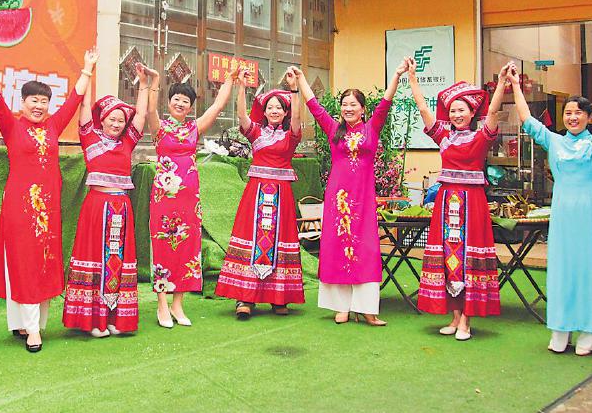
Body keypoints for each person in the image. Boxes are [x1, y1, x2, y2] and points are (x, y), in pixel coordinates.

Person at [0, 50, 97, 353]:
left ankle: (27, 323)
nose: (39, 106)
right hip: (19, 209)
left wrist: (88, 68)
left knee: (45, 263)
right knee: (23, 264)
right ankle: (32, 329)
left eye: (44, 101)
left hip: (48, 210)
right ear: (22, 103)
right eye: (33, 100)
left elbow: (74, 99)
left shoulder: (53, 127)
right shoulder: (12, 126)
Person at [508, 67, 592, 355]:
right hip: (563, 213)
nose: (572, 117)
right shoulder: (555, 141)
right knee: (563, 269)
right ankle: (561, 330)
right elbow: (527, 119)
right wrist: (515, 85)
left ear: (589, 117)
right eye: (568, 113)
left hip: (591, 213)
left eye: (578, 113)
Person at [405, 59, 509, 340]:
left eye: (462, 110)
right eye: (452, 110)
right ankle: (454, 317)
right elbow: (424, 109)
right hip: (446, 201)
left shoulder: (481, 137)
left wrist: (501, 83)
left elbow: (493, 111)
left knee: (468, 256)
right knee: (449, 256)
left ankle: (466, 320)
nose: (456, 114)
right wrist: (412, 78)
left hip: (472, 203)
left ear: (472, 112)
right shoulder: (444, 137)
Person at [297, 64, 405, 325]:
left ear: (363, 109)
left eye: (353, 104)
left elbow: (385, 102)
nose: (348, 108)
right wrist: (301, 80)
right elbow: (314, 106)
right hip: (339, 198)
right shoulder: (334, 129)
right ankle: (342, 306)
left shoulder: (372, 128)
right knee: (337, 246)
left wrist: (397, 75)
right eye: (344, 104)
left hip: (363, 198)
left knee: (366, 248)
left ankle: (366, 308)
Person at [63, 65, 152, 337]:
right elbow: (84, 105)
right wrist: (88, 72)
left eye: (120, 121)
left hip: (121, 208)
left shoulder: (127, 143)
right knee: (94, 259)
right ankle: (92, 320)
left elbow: (142, 115)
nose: (116, 124)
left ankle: (115, 318)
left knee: (117, 261)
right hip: (96, 207)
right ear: (101, 119)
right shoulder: (89, 137)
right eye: (112, 119)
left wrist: (144, 84)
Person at [146, 66, 235, 328]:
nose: (180, 103)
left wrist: (229, 80)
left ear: (190, 107)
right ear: (169, 101)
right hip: (164, 199)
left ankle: (178, 304)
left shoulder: (194, 128)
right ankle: (162, 304)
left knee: (187, 248)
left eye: (186, 101)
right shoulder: (159, 128)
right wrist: (155, 81)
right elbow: (149, 110)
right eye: (176, 99)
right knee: (163, 246)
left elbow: (217, 106)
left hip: (189, 199)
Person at [214, 69, 306, 318]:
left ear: (285, 112)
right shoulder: (256, 133)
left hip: (281, 195)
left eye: (279, 108)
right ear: (264, 112)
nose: (274, 111)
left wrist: (294, 89)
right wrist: (242, 87)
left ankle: (279, 297)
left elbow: (298, 117)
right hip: (256, 193)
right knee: (252, 239)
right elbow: (242, 115)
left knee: (279, 241)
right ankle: (245, 298)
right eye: (270, 107)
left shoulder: (291, 135)